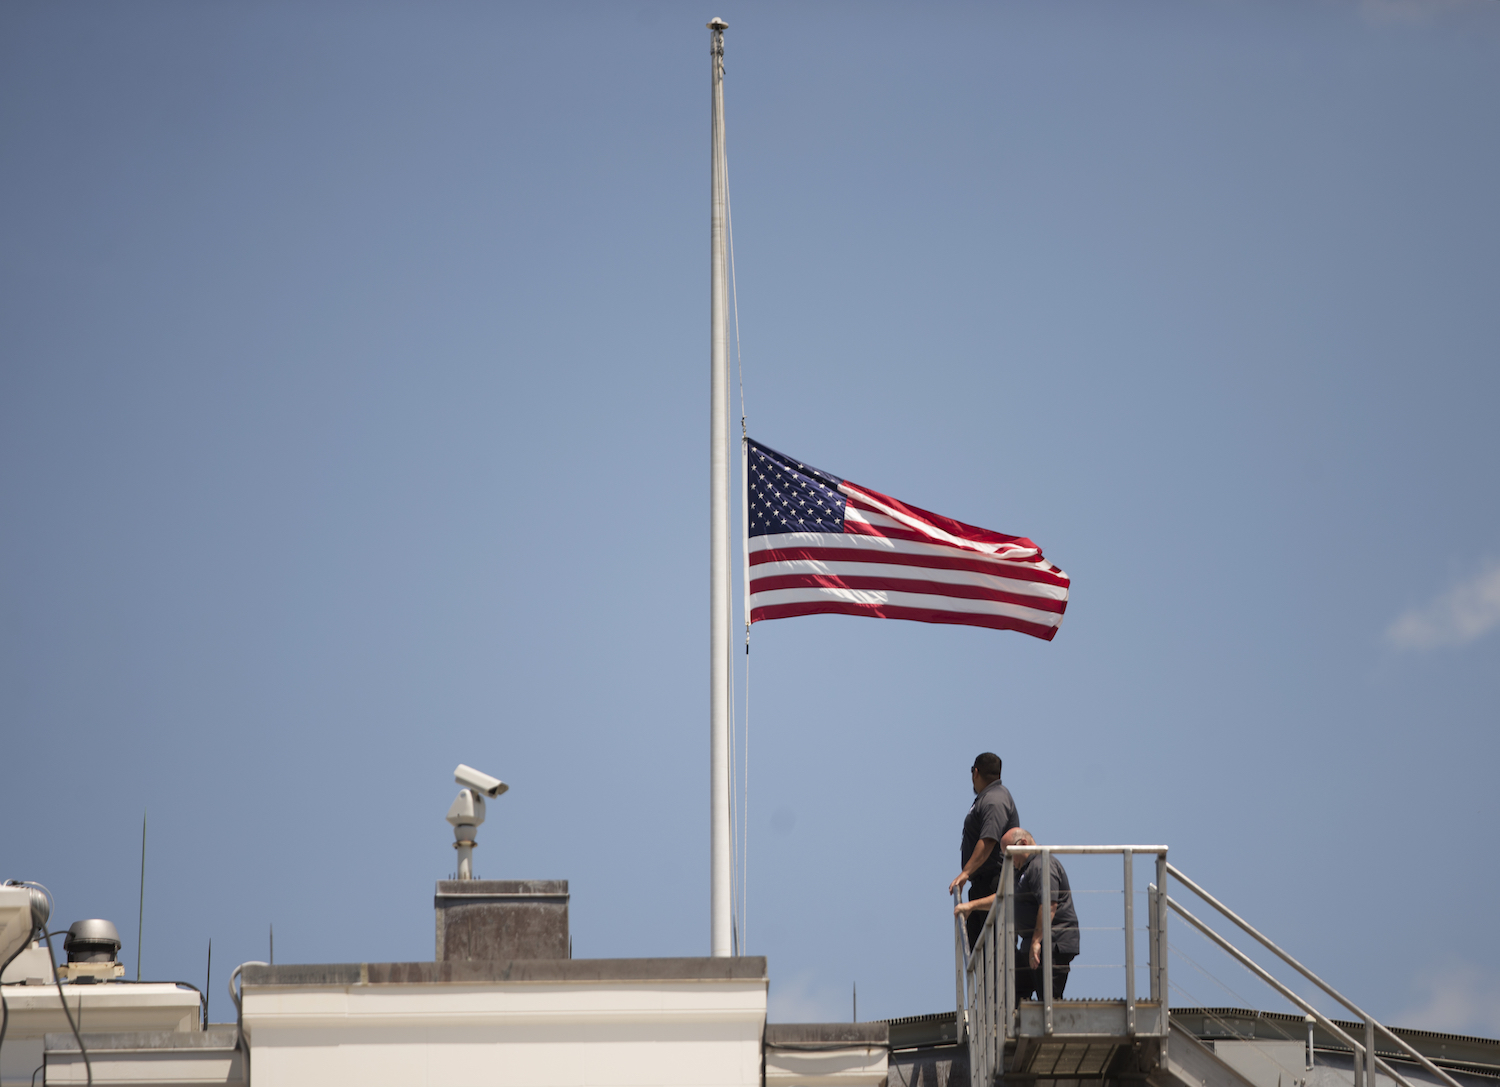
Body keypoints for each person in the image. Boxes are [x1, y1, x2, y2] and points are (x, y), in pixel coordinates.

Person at [953, 828, 1080, 1002]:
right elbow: (1003, 898)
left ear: (1023, 844)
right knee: (1013, 987)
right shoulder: (1022, 870)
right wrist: (971, 906)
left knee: (1048, 1000)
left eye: (1009, 854)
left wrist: (1036, 941)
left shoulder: (1041, 864)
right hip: (1032, 944)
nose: (1008, 860)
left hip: (1052, 943)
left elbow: (1048, 904)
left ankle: (1047, 1016)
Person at [946, 752, 1018, 950]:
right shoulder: (988, 798)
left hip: (995, 882)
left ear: (975, 772)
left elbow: (988, 840)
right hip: (982, 884)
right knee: (979, 950)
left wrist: (965, 873)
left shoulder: (994, 800)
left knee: (997, 950)